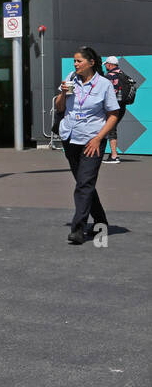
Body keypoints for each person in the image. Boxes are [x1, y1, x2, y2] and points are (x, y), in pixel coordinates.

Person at [54, 47, 120, 245]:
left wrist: (99, 138)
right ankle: (101, 222)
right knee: (85, 184)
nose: (75, 65)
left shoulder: (104, 85)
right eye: (74, 61)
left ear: (91, 63)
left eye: (79, 61)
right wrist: (63, 94)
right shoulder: (71, 78)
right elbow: (60, 108)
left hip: (92, 141)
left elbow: (113, 115)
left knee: (84, 184)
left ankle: (78, 229)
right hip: (70, 137)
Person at [101, 57, 136, 163]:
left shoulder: (109, 76)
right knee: (111, 128)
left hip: (112, 106)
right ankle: (112, 154)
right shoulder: (124, 75)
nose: (106, 66)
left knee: (110, 128)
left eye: (106, 64)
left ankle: (114, 156)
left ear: (110, 65)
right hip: (122, 106)